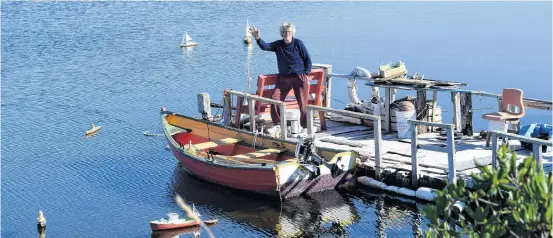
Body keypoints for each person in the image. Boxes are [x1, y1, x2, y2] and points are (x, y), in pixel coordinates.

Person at [249, 22, 312, 131]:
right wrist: (258, 38)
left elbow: (308, 60)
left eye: (289, 32)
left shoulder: (298, 43)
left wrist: (306, 74)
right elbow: (266, 46)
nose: (287, 34)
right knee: (275, 98)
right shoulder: (278, 45)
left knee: (303, 103)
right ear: (281, 34)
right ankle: (278, 123)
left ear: (292, 33)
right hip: (284, 78)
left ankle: (305, 126)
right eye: (284, 32)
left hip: (299, 77)